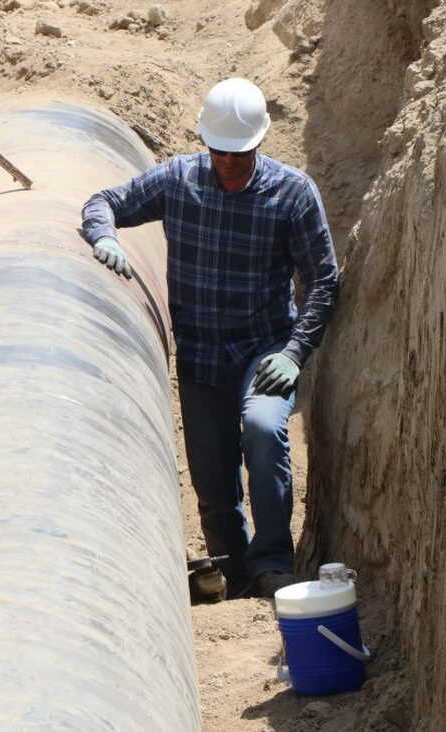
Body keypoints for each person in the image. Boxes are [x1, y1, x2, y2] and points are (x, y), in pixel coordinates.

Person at [80, 78, 339, 599]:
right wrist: (103, 234)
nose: (229, 163)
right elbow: (106, 200)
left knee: (264, 431)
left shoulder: (292, 194)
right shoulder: (179, 181)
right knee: (212, 477)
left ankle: (271, 564)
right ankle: (232, 573)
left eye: (239, 154)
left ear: (260, 144)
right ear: (206, 144)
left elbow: (324, 280)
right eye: (220, 153)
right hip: (201, 354)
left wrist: (294, 353)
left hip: (263, 348)